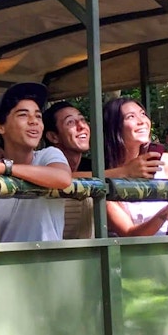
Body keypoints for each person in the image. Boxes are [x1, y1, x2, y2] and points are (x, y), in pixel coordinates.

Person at [0, 82, 75, 242]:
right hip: (5, 265)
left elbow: (63, 178)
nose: (34, 121)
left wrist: (5, 167)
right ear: (0, 127)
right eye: (23, 115)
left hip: (51, 264)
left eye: (38, 116)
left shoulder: (48, 156)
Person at [102, 97, 168, 236]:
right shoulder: (107, 173)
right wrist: (125, 172)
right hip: (125, 252)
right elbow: (131, 234)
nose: (142, 121)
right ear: (114, 127)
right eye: (131, 116)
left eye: (143, 114)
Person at [43, 100, 94, 238]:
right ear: (53, 136)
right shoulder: (43, 165)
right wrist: (124, 172)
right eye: (70, 122)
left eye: (82, 119)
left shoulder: (91, 165)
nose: (81, 126)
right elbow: (62, 177)